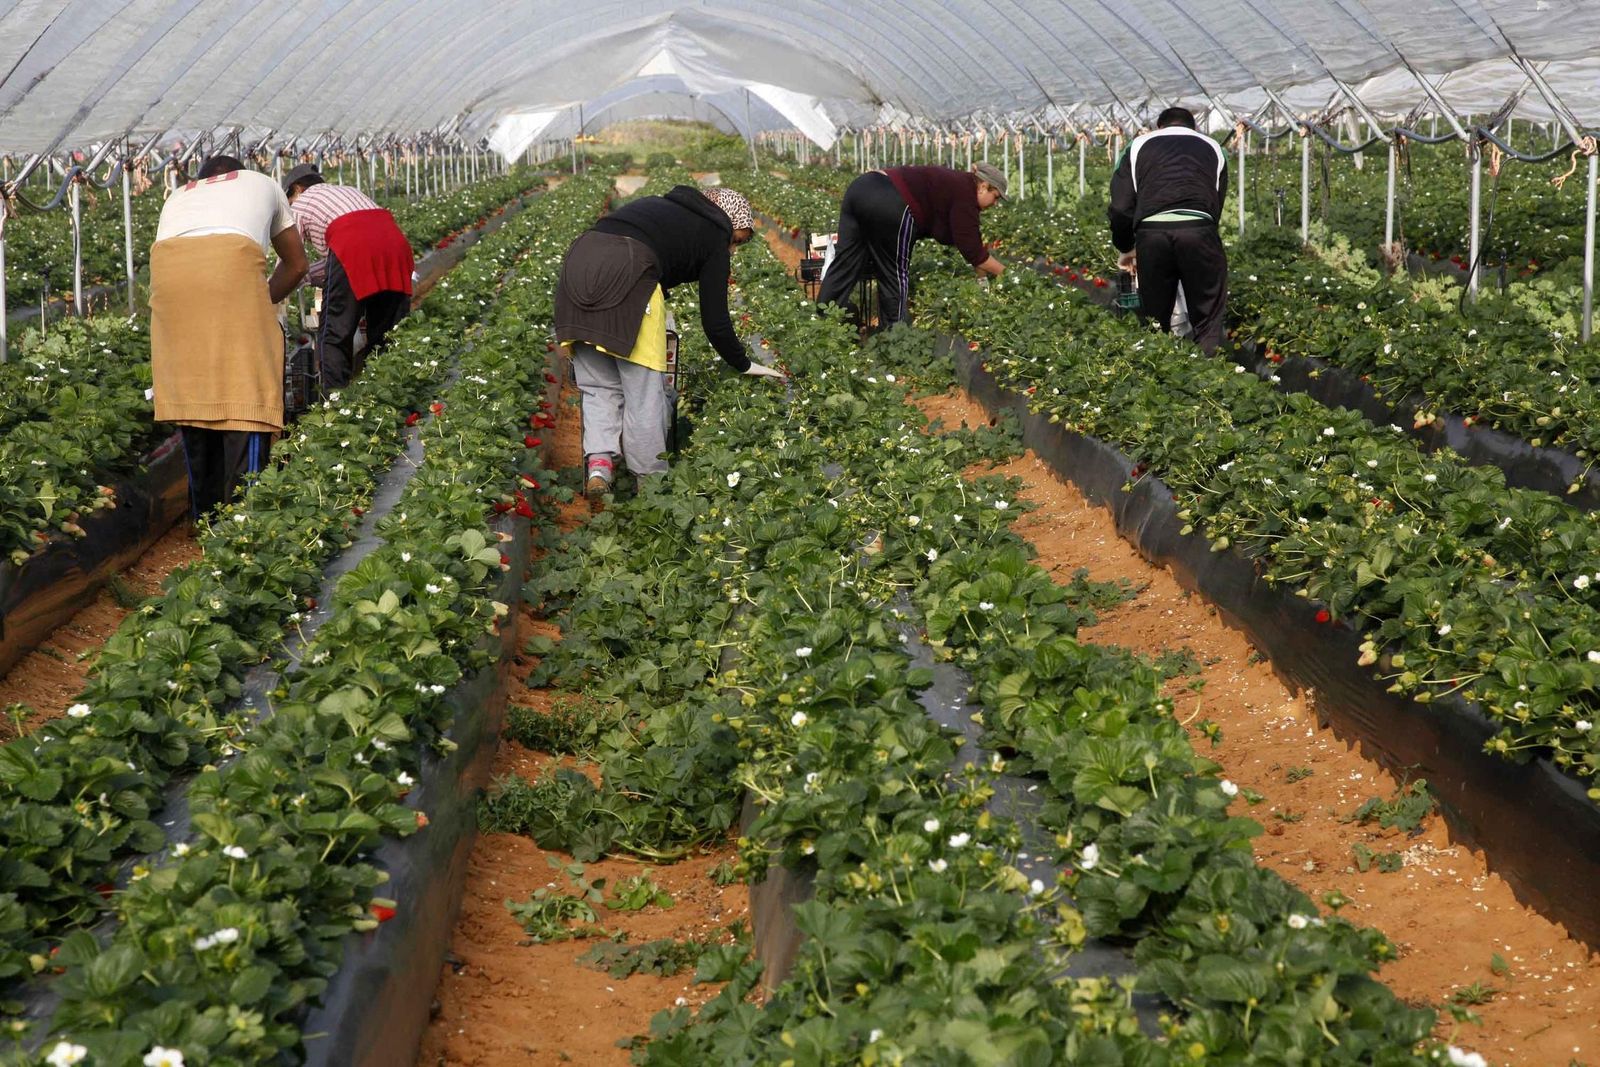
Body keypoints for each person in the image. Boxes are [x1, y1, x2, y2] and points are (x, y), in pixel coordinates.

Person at [554, 184, 785, 500]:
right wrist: (743, 363)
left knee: (599, 386)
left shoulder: (661, 207)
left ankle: (599, 468)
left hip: (576, 270)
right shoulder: (715, 235)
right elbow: (715, 322)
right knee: (643, 392)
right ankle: (649, 485)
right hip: (629, 276)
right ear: (728, 221)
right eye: (736, 241)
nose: (732, 250)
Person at [149, 155, 308, 520]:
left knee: (193, 394)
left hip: (169, 281)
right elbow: (297, 264)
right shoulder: (262, 183)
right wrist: (259, 304)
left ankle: (205, 520)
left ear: (202, 179)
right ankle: (244, 524)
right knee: (246, 393)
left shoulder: (178, 195)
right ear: (240, 173)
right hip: (230, 264)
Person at [817, 162, 1006, 327]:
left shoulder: (959, 182)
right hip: (890, 200)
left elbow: (972, 247)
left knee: (845, 260)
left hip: (862, 186)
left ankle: (822, 320)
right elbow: (973, 251)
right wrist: (1007, 274)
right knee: (893, 274)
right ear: (983, 186)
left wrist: (982, 278)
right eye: (996, 197)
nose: (995, 203)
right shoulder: (966, 194)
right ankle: (894, 335)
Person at [282, 162, 415, 390]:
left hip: (353, 248)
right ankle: (392, 387)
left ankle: (336, 398)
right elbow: (338, 260)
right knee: (387, 329)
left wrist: (273, 291)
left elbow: (291, 263)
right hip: (395, 247)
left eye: (289, 199)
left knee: (334, 333)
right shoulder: (348, 191)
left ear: (297, 189)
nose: (290, 204)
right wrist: (310, 275)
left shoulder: (301, 203)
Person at [1108, 107, 1230, 353]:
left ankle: (1159, 363)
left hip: (1152, 234)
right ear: (1194, 128)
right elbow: (1216, 201)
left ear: (1159, 127)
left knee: (1155, 315)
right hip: (1199, 229)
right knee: (1207, 312)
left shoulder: (1137, 146)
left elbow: (1120, 207)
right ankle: (1208, 366)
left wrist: (1126, 247)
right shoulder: (1213, 147)